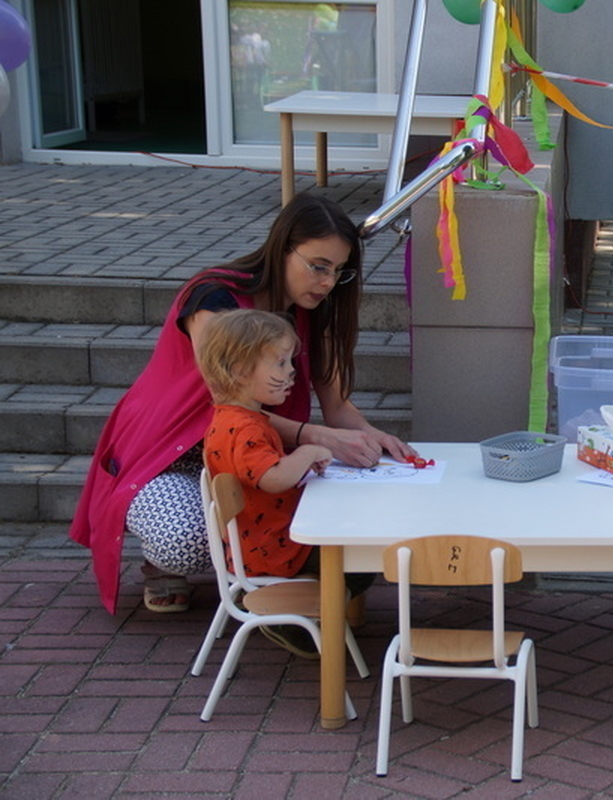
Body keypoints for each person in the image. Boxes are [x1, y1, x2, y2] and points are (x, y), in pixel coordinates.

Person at [70, 193, 416, 615]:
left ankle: (269, 571)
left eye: (339, 271)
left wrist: (375, 439)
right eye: (318, 266)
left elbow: (337, 405)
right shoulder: (213, 298)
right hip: (169, 451)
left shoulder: (315, 309)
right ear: (282, 248)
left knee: (334, 503)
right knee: (183, 541)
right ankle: (168, 563)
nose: (328, 282)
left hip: (252, 452)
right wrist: (317, 438)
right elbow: (227, 403)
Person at [198, 308, 373, 658]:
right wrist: (306, 452)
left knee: (354, 554)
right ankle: (282, 617)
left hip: (260, 541)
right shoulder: (246, 429)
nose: (291, 371)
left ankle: (310, 608)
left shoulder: (232, 417)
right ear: (240, 370)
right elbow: (273, 478)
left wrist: (303, 463)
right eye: (279, 363)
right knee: (361, 560)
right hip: (273, 550)